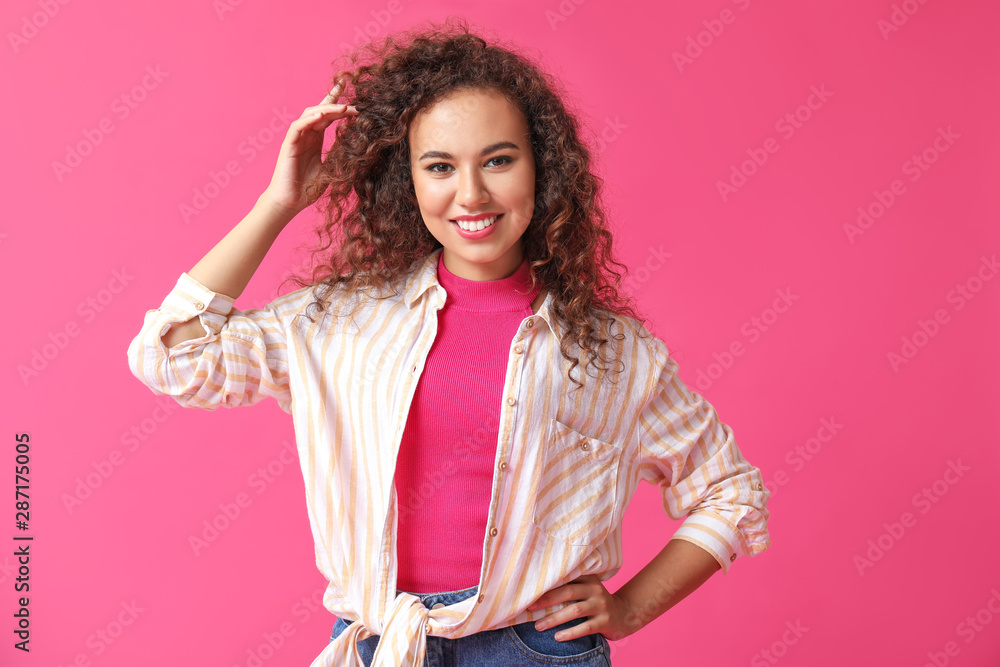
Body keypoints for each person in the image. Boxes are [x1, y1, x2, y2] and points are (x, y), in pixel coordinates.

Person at [126, 17, 772, 667]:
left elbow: (731, 492)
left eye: (498, 160)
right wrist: (278, 201)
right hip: (381, 642)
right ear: (408, 177)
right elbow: (172, 356)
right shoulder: (339, 321)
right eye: (440, 165)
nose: (471, 193)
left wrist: (631, 607)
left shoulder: (611, 350)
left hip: (536, 647)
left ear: (540, 166)